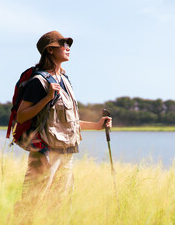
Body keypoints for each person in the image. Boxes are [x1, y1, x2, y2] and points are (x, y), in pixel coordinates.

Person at [15, 30, 112, 215]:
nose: (68, 49)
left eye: (69, 45)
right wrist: (47, 98)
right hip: (44, 154)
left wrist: (96, 125)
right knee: (31, 206)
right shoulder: (39, 81)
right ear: (50, 50)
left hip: (66, 153)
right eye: (64, 45)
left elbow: (68, 122)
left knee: (59, 208)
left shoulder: (65, 80)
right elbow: (21, 116)